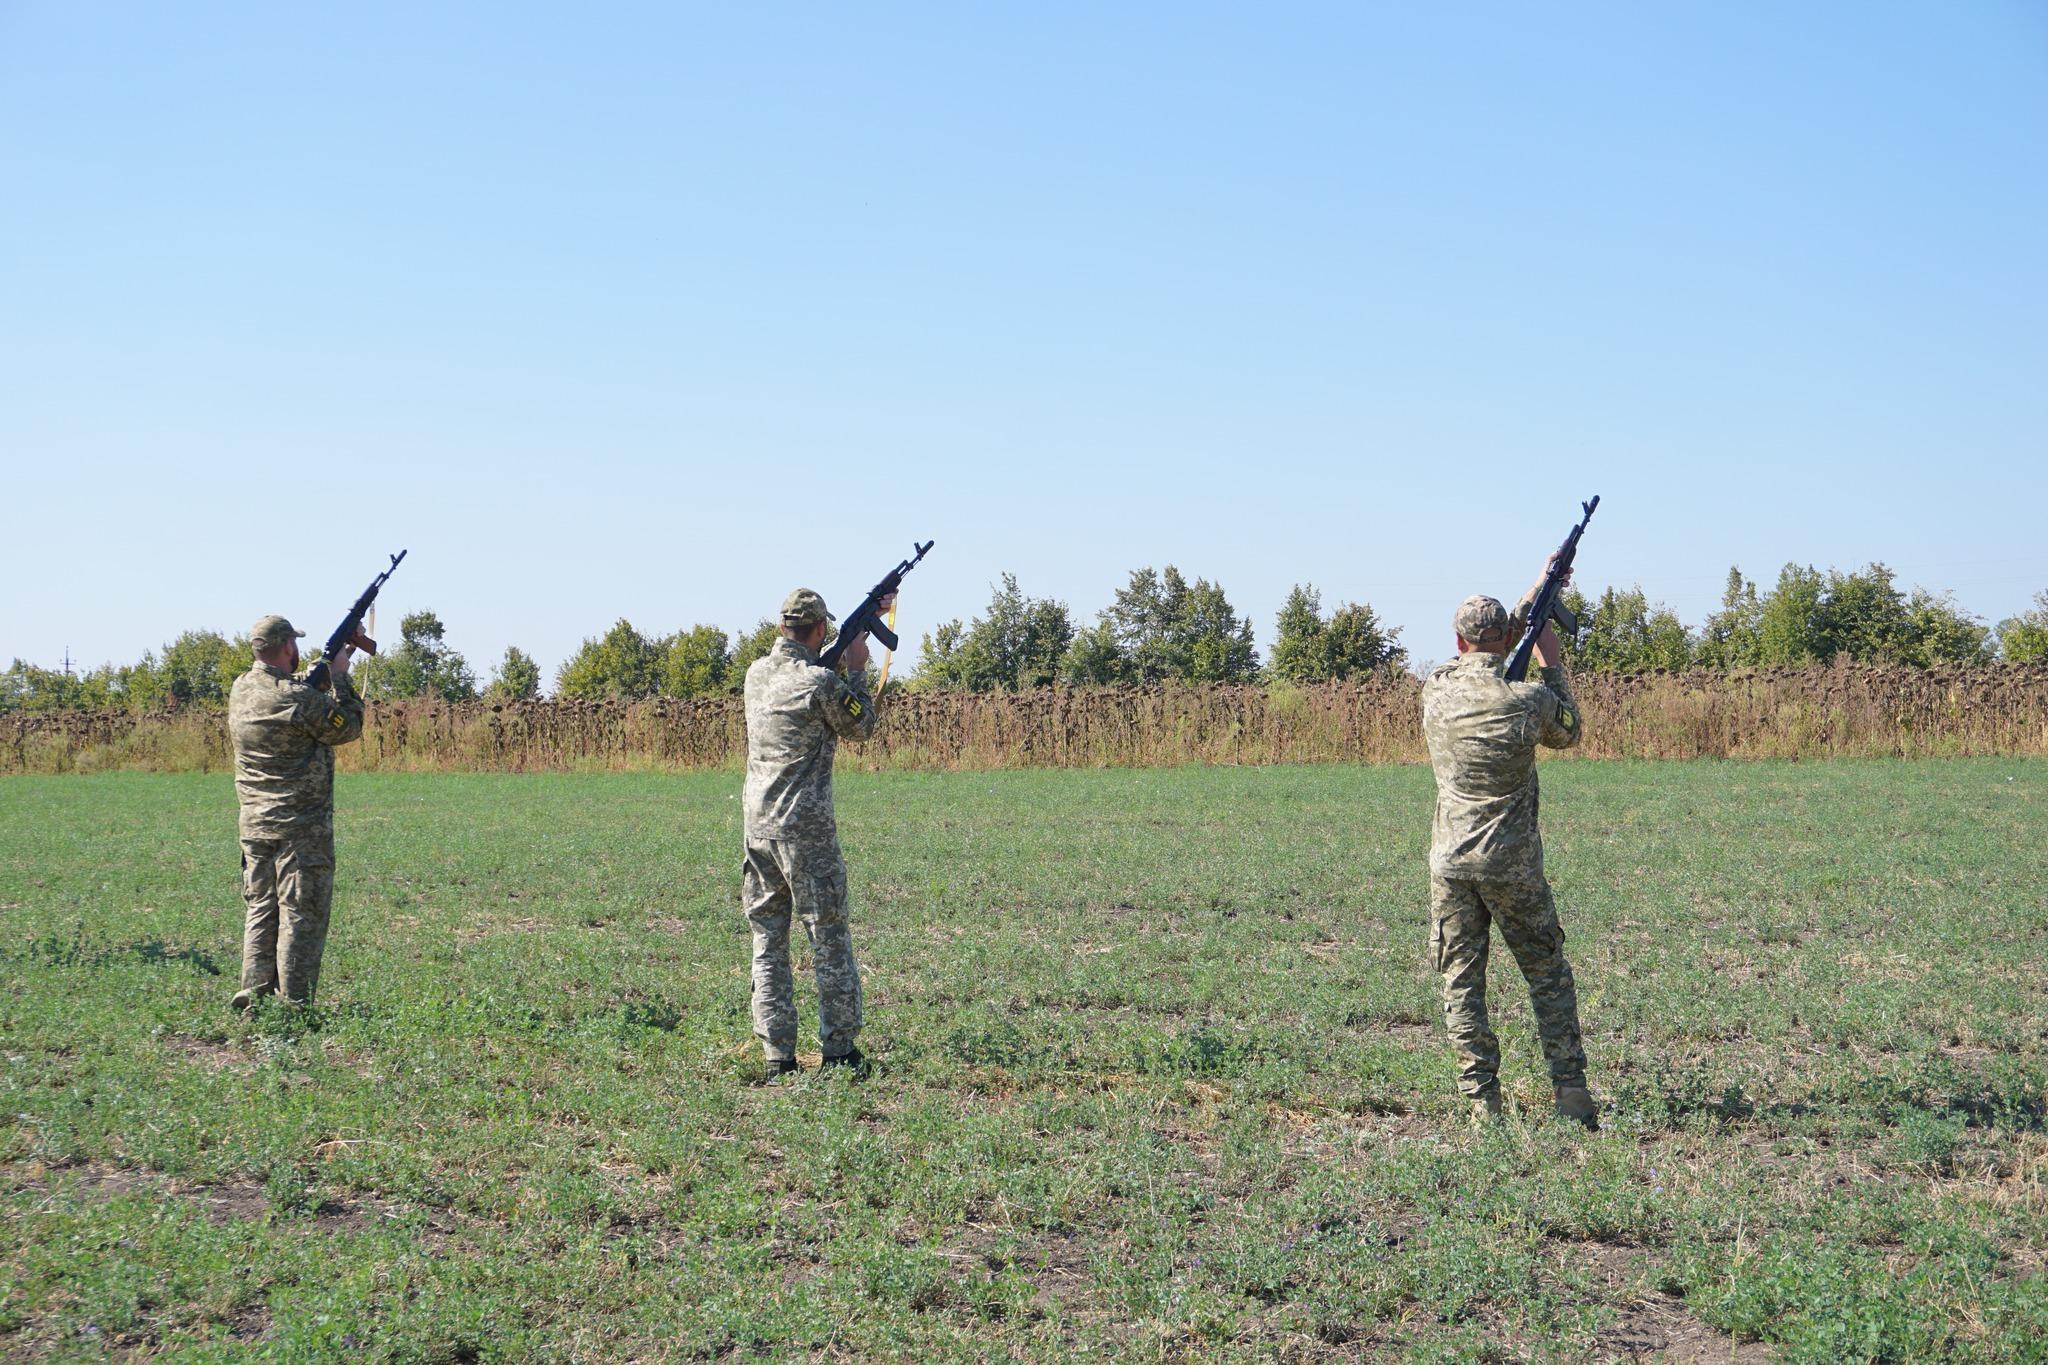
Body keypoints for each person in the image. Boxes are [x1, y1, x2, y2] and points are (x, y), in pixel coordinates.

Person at [1419, 569, 1598, 1128]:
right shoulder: (1528, 701)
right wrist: (1551, 658)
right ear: (1505, 640)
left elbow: (1486, 648)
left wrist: (1538, 593)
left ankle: (1482, 1107)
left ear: (1456, 643)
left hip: (1451, 863)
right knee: (1546, 974)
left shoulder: (1437, 688)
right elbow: (1570, 731)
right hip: (1511, 863)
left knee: (1462, 981)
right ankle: (1571, 1096)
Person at [740, 588, 886, 1083]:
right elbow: (862, 725)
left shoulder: (756, 675)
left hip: (757, 828)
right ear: (820, 629)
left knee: (767, 939)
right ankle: (840, 1053)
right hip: (805, 832)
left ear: (783, 626)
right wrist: (858, 666)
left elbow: (800, 682)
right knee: (827, 935)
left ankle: (777, 1055)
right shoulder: (822, 681)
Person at [226, 614, 370, 1010]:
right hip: (299, 826)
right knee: (301, 911)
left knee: (261, 905)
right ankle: (295, 1004)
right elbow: (348, 726)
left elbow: (292, 691)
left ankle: (253, 990)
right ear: (288, 645)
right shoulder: (297, 699)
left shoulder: (242, 689)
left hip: (255, 823)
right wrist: (341, 676)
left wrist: (334, 659)